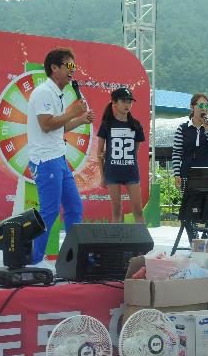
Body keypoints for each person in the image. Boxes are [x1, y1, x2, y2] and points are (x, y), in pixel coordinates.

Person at [27, 48, 94, 266]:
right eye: (69, 66)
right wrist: (73, 113)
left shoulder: (58, 93)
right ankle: (33, 259)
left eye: (74, 66)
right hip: (46, 161)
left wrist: (80, 120)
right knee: (50, 211)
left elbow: (60, 127)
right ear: (54, 68)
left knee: (75, 208)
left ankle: (72, 258)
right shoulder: (43, 92)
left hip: (59, 158)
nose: (73, 71)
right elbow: (46, 125)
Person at [97, 88, 145, 223]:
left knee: (138, 211)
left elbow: (135, 151)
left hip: (131, 172)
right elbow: (99, 152)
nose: (127, 105)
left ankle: (142, 242)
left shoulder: (136, 125)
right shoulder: (107, 124)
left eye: (130, 102)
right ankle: (114, 242)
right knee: (116, 210)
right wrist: (102, 176)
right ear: (114, 103)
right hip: (112, 172)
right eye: (123, 101)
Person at [171, 93, 208, 191]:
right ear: (192, 107)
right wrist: (177, 174)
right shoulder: (182, 128)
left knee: (207, 205)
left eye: (207, 106)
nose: (204, 109)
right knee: (188, 205)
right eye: (201, 105)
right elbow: (176, 153)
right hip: (187, 175)